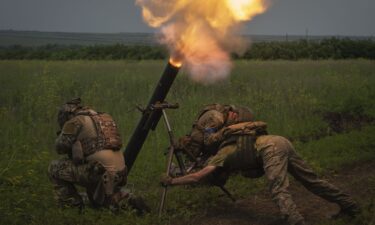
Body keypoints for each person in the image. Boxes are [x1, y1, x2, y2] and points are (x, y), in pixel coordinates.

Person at [162, 105, 360, 225]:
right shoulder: (240, 140)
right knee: (312, 180)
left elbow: (198, 176)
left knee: (278, 190)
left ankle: (296, 220)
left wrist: (172, 181)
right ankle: (350, 205)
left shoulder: (222, 154)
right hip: (280, 141)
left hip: (271, 150)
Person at [48, 98, 148, 212]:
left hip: (99, 172)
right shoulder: (105, 117)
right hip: (120, 173)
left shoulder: (75, 121)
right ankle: (126, 199)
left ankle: (71, 205)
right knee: (99, 201)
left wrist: (64, 135)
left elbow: (60, 148)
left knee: (54, 167)